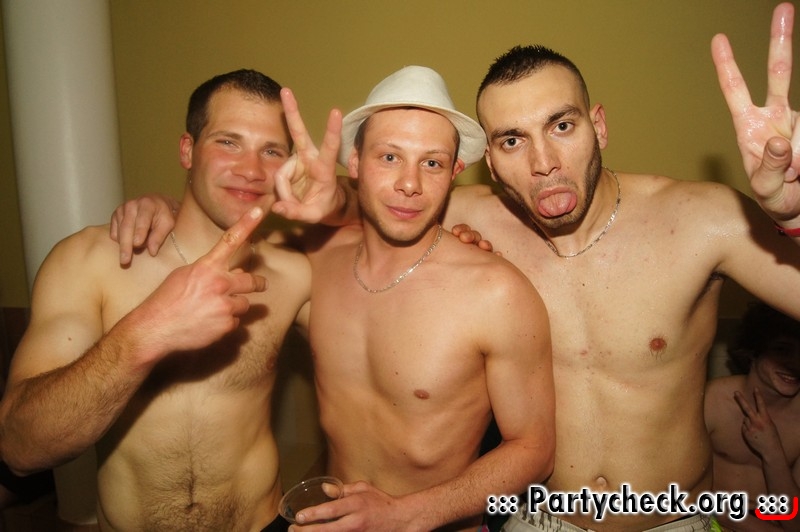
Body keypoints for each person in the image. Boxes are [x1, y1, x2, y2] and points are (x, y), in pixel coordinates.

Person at [109, 3, 800, 529]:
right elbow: (365, 202)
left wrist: (792, 212)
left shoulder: (702, 220)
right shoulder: (463, 214)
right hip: (536, 520)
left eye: (561, 126)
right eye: (512, 140)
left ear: (598, 125)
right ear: (489, 162)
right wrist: (170, 209)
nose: (542, 162)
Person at [0, 69, 309, 532]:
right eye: (228, 142)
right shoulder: (90, 261)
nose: (251, 170)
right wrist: (150, 330)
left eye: (272, 151)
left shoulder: (295, 274)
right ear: (187, 150)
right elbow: (20, 448)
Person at [705, 302, 800, 531]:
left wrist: (772, 451)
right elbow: (676, 489)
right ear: (752, 351)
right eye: (782, 350)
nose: (796, 363)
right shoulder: (713, 401)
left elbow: (794, 522)